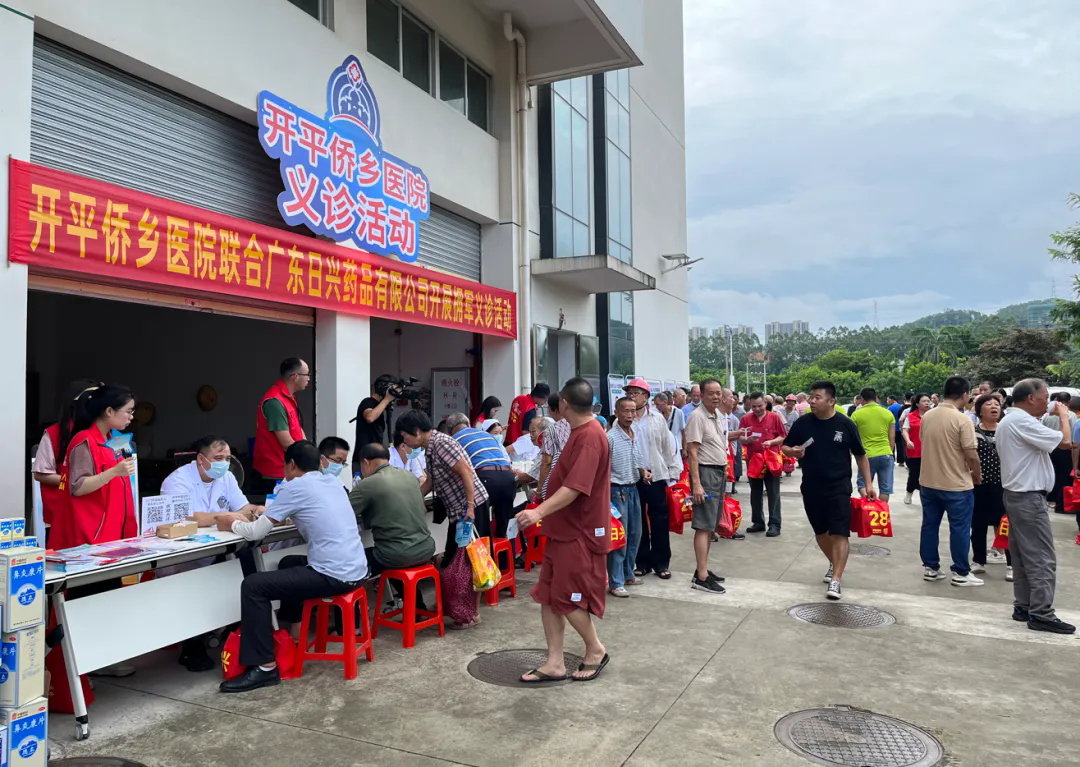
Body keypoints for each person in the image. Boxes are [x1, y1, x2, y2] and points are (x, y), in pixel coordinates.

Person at [218, 440, 368, 692]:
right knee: (288, 562)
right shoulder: (332, 482)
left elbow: (255, 533)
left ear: (291, 465)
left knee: (254, 585)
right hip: (357, 569)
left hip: (333, 576)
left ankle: (265, 667)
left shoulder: (294, 486)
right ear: (320, 463)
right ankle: (291, 632)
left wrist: (230, 524)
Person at [515, 378, 610, 683]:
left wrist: (538, 511)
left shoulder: (590, 436)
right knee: (548, 596)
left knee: (568, 598)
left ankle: (595, 649)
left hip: (578, 532)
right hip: (562, 530)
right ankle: (554, 662)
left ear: (565, 404)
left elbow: (575, 487)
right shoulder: (577, 431)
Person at [782, 381, 875, 601]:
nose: (812, 401)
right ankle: (834, 562)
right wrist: (792, 452)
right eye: (811, 397)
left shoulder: (845, 424)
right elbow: (785, 446)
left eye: (817, 397)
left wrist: (868, 484)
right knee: (821, 531)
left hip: (839, 487)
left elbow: (860, 455)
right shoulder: (804, 422)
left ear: (831, 401)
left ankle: (836, 579)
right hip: (811, 486)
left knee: (840, 532)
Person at [996, 378, 1074, 634]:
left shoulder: (1012, 420)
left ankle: (1024, 605)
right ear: (1030, 398)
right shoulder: (1021, 421)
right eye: (1045, 397)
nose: (1047, 403)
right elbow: (1065, 441)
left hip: (1018, 496)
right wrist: (1064, 415)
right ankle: (1042, 613)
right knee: (1041, 557)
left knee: (1022, 555)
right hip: (1028, 498)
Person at [398, 410, 490, 574]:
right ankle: (463, 590)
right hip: (457, 510)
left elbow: (466, 472)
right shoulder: (430, 448)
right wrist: (412, 501)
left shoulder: (441, 444)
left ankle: (478, 590)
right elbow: (430, 481)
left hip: (470, 507)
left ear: (416, 431)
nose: (404, 440)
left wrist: (470, 507)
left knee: (473, 560)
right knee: (456, 559)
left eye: (404, 435)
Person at [918, 376, 982, 586]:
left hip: (928, 482)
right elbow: (971, 454)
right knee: (960, 528)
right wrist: (977, 474)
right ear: (965, 394)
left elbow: (924, 441)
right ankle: (961, 572)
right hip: (957, 485)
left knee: (929, 526)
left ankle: (931, 567)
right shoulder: (963, 420)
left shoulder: (927, 416)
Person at [60, 385, 138, 549]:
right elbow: (78, 487)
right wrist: (114, 471)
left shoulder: (115, 439)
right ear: (109, 411)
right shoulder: (84, 440)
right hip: (91, 537)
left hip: (116, 533)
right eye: (128, 411)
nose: (132, 417)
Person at [686, 380, 745, 594]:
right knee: (703, 525)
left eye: (718, 393)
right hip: (705, 473)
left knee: (710, 525)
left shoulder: (719, 416)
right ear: (701, 395)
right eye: (710, 393)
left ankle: (702, 569)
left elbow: (720, 443)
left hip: (719, 472)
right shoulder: (697, 417)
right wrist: (697, 485)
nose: (716, 397)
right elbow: (692, 452)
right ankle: (701, 577)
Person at [349, 442, 436, 580]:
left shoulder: (366, 484)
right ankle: (410, 595)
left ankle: (362, 594)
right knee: (392, 559)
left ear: (365, 463)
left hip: (394, 555)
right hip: (426, 548)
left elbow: (343, 514)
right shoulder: (410, 476)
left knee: (349, 563)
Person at [624, 379, 681, 580]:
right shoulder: (622, 420)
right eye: (629, 392)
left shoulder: (657, 419)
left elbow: (667, 446)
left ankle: (661, 563)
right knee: (637, 521)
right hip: (633, 477)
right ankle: (642, 562)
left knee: (659, 519)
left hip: (655, 474)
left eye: (636, 392)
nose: (632, 396)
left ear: (646, 397)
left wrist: (673, 471)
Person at [33, 378, 98, 544]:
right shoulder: (54, 433)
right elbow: (41, 474)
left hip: (94, 513)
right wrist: (76, 482)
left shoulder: (103, 432)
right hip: (61, 513)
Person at [162, 435, 263, 525]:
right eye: (218, 458)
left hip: (221, 536)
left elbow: (242, 507)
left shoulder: (227, 476)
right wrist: (225, 516)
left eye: (227, 459)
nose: (224, 463)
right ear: (201, 459)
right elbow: (182, 518)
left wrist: (257, 509)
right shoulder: (176, 481)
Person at [447, 412, 517, 541]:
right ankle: (506, 553)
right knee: (504, 530)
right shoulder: (486, 435)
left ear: (450, 431)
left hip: (486, 479)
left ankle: (483, 552)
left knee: (481, 531)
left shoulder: (452, 440)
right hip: (508, 477)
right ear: (468, 424)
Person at [252, 358, 309, 496]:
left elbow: (298, 429)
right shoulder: (275, 401)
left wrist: (308, 449)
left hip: (291, 468)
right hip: (276, 474)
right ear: (295, 377)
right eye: (307, 374)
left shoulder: (288, 398)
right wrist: (309, 459)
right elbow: (286, 443)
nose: (308, 379)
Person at [971, 394, 1012, 580]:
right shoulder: (973, 431)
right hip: (979, 485)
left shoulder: (1006, 430)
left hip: (1003, 485)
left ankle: (1011, 564)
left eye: (997, 404)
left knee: (1005, 524)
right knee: (977, 524)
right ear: (980, 410)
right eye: (989, 404)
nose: (994, 406)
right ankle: (978, 561)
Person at [607, 397, 645, 598]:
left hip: (633, 488)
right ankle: (616, 581)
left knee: (635, 534)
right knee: (619, 537)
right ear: (617, 413)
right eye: (626, 411)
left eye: (633, 411)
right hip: (616, 491)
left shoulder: (633, 433)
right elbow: (603, 468)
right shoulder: (611, 437)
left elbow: (636, 459)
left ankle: (629, 573)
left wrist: (643, 472)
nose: (630, 415)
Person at [740, 392, 787, 537]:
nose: (757, 409)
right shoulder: (746, 419)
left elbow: (783, 435)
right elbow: (741, 437)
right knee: (755, 493)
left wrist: (771, 442)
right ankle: (758, 522)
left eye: (760, 406)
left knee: (773, 493)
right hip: (754, 462)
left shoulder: (774, 417)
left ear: (765, 404)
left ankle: (775, 524)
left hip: (771, 462)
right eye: (753, 406)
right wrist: (748, 440)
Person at [851, 388, 896, 503]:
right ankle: (881, 511)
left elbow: (853, 438)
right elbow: (892, 438)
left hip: (866, 456)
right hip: (886, 454)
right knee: (885, 489)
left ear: (862, 399)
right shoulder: (888, 413)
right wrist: (889, 452)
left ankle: (869, 508)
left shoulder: (856, 415)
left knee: (863, 484)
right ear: (875, 398)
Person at [1041, 392, 1076, 511]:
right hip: (1065, 449)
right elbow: (1073, 431)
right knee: (1064, 475)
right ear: (1069, 402)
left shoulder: (1047, 415)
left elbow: (1042, 429)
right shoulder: (1070, 415)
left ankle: (1050, 498)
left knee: (1052, 472)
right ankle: (1060, 500)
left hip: (1050, 449)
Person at [351, 375, 399, 462]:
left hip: (374, 457)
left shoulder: (378, 406)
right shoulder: (367, 402)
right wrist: (387, 399)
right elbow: (370, 417)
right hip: (364, 460)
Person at [540, 393, 572, 499]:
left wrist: (540, 489)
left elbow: (547, 463)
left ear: (551, 409)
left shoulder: (551, 431)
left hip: (558, 483)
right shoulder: (576, 425)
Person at [902, 393, 932, 504]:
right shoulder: (910, 416)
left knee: (928, 476)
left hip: (930, 451)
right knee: (914, 474)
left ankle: (926, 497)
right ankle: (909, 493)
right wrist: (908, 441)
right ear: (917, 404)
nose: (927, 403)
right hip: (914, 450)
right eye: (924, 401)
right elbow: (905, 430)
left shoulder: (933, 416)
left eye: (928, 401)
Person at [655, 391, 686, 463]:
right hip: (664, 448)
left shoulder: (678, 412)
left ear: (665, 402)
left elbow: (683, 432)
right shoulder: (657, 415)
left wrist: (684, 448)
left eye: (658, 404)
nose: (656, 407)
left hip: (677, 447)